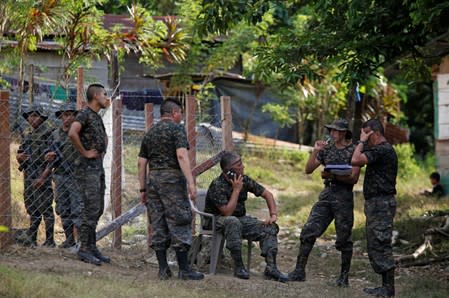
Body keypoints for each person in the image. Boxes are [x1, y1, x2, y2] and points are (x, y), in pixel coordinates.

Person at [137, 98, 204, 280]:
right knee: (180, 220)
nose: (181, 116)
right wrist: (191, 182)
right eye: (180, 113)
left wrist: (143, 189)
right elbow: (182, 155)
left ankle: (163, 269)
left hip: (153, 181)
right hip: (172, 180)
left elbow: (141, 163)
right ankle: (184, 270)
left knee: (158, 223)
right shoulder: (177, 129)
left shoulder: (150, 133)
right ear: (174, 113)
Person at [289, 119, 360, 287]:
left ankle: (344, 277)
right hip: (327, 194)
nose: (331, 134)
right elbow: (308, 169)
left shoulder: (353, 150)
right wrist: (315, 151)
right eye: (330, 131)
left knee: (343, 238)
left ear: (343, 133)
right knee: (308, 230)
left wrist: (333, 175)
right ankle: (299, 271)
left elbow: (354, 178)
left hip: (344, 196)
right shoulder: (326, 149)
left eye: (334, 131)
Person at [204, 151, 288, 282]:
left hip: (239, 220)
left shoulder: (244, 179)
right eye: (239, 164)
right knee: (232, 221)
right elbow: (227, 213)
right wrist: (236, 190)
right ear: (229, 170)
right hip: (216, 220)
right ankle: (238, 266)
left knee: (269, 228)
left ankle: (271, 268)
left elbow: (268, 195)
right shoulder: (217, 185)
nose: (243, 166)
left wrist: (273, 215)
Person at [351, 119, 398, 298]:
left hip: (382, 203)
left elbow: (355, 159)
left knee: (381, 243)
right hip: (376, 203)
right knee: (375, 244)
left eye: (367, 134)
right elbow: (356, 160)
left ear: (375, 133)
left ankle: (388, 288)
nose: (364, 138)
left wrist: (362, 141)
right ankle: (385, 287)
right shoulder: (378, 150)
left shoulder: (383, 149)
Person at [69, 84, 110, 265]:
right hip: (87, 169)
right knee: (90, 209)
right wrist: (85, 152)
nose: (107, 97)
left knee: (98, 208)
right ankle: (84, 249)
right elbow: (72, 133)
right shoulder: (85, 114)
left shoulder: (95, 116)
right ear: (95, 95)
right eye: (104, 94)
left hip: (97, 167)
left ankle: (92, 247)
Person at [43, 103, 83, 248]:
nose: (67, 118)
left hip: (76, 176)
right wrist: (48, 156)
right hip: (60, 176)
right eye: (64, 115)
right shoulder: (54, 134)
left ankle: (80, 242)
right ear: (60, 117)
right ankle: (69, 239)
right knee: (62, 208)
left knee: (77, 209)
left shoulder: (80, 133)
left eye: (70, 115)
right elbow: (47, 153)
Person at [16, 104, 55, 247]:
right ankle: (32, 238)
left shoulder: (49, 134)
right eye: (29, 116)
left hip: (41, 175)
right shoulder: (28, 134)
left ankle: (50, 240)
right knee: (32, 207)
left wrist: (43, 178)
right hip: (29, 175)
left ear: (42, 118)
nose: (31, 119)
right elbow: (20, 153)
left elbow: (52, 161)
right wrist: (19, 157)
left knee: (45, 208)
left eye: (35, 116)